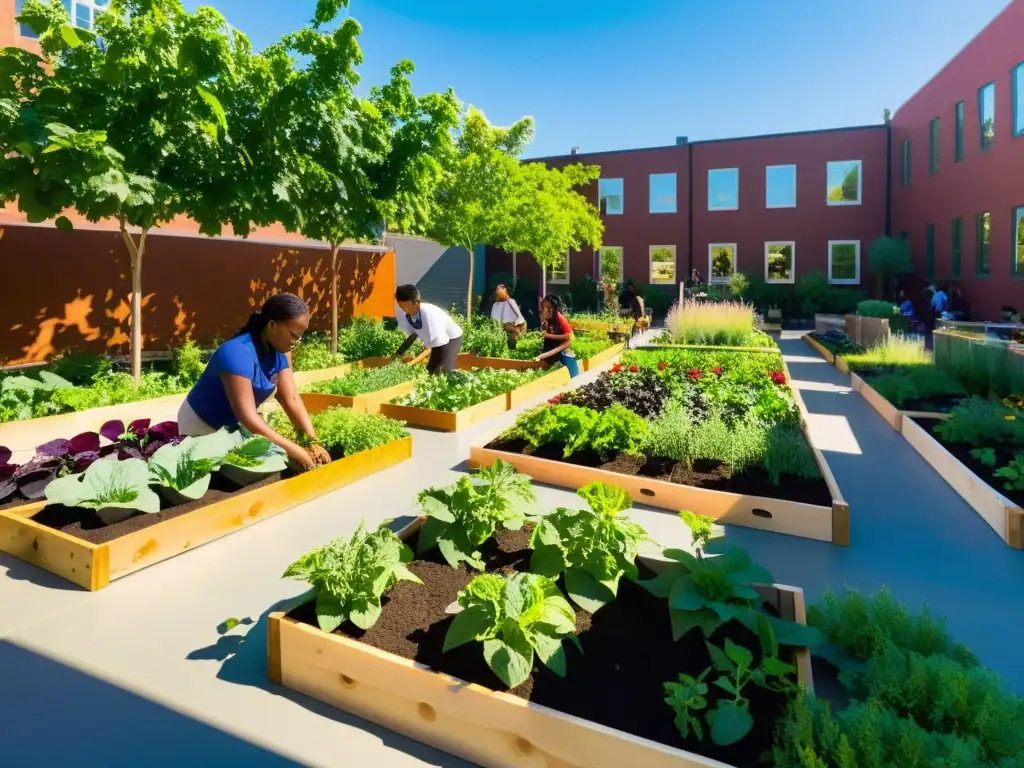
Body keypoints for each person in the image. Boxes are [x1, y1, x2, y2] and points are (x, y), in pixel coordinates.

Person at [178, 293, 330, 471]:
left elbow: (290, 398)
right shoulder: (236, 353)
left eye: (299, 337)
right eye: (293, 334)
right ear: (272, 325)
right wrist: (296, 451)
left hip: (233, 426)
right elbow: (248, 417)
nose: (295, 342)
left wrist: (312, 441)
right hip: (202, 425)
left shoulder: (281, 352)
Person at [393, 284, 464, 375]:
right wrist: (398, 353)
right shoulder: (407, 314)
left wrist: (417, 358)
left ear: (416, 303)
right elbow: (413, 335)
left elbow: (438, 341)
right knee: (431, 370)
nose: (403, 310)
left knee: (445, 369)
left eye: (406, 306)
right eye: (401, 306)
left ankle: (458, 382)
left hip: (452, 339)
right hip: (437, 341)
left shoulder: (430, 314)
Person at [535, 295, 580, 378]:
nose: (546, 310)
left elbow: (569, 337)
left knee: (574, 375)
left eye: (549, 307)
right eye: (544, 307)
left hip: (565, 349)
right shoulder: (547, 317)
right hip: (554, 348)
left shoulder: (559, 318)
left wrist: (549, 336)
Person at [490, 283, 526, 350]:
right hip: (501, 331)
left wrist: (517, 328)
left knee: (512, 346)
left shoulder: (511, 301)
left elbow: (519, 316)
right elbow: (494, 319)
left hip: (512, 329)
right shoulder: (495, 305)